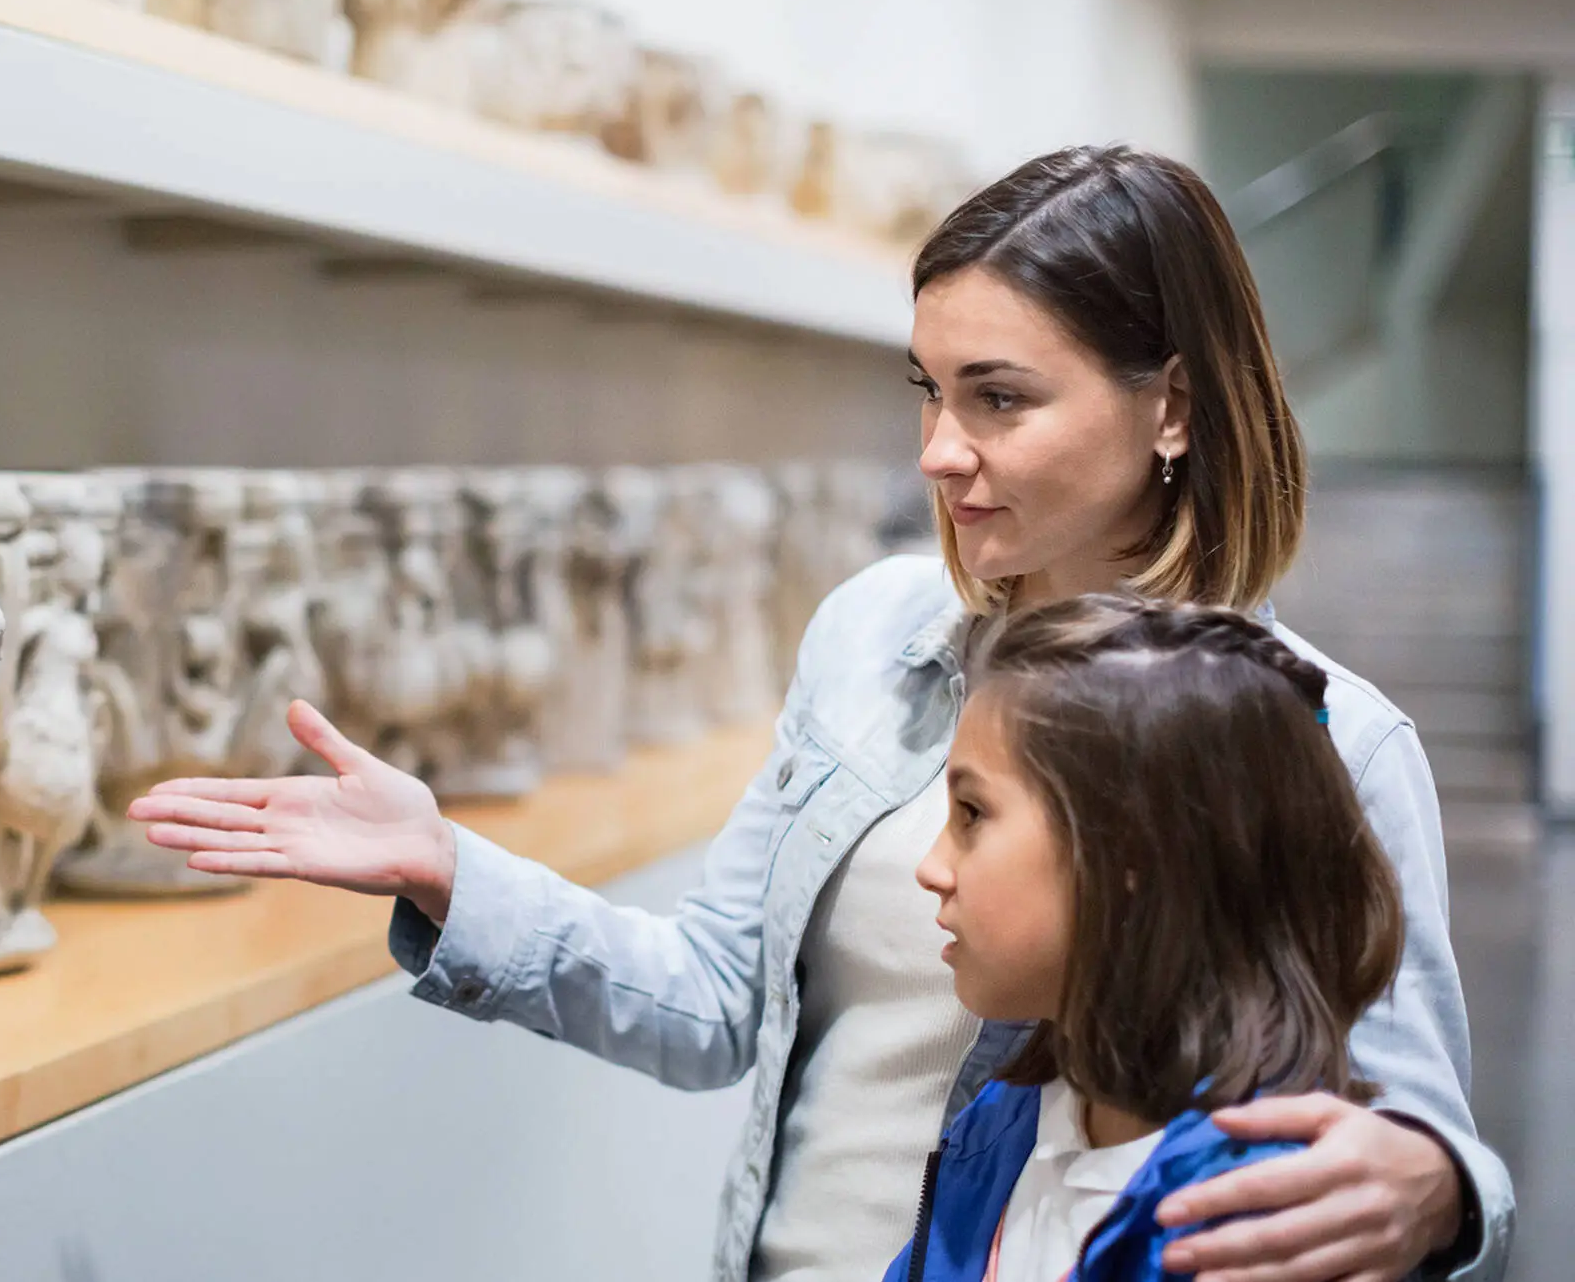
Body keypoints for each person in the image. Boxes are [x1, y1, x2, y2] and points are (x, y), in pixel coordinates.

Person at [127, 146, 1513, 1282]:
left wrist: (1446, 1189)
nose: (938, 451)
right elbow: (715, 1000)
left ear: (1175, 408)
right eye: (928, 390)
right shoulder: (875, 637)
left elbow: (1414, 1156)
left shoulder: (1328, 740)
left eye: (999, 399)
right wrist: (450, 867)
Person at [884, 594, 1407, 1282]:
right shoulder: (1004, 1124)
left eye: (973, 812)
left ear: (1130, 852)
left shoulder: (1261, 1224)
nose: (931, 867)